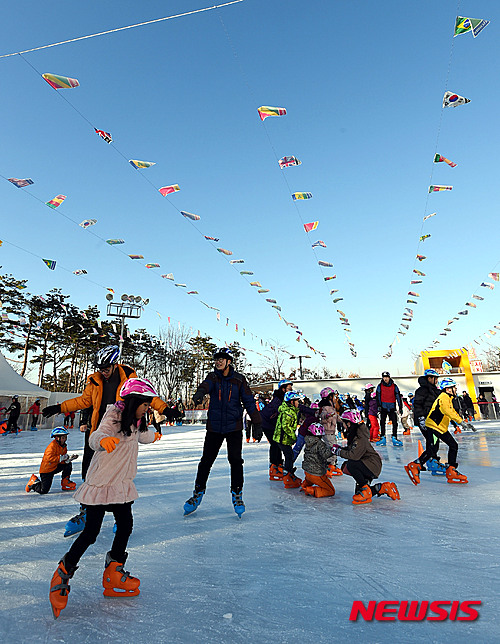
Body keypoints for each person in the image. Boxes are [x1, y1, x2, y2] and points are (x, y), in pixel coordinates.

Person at [48, 378, 162, 619]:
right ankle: (62, 572)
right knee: (91, 533)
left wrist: (154, 436)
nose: (147, 408)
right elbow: (95, 437)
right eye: (145, 404)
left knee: (126, 526)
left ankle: (114, 572)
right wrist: (102, 440)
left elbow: (141, 436)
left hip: (120, 484)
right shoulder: (113, 416)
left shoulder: (135, 422)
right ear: (133, 402)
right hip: (102, 483)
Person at [42, 345, 172, 536]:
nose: (103, 372)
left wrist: (165, 408)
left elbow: (145, 397)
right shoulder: (94, 380)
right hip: (97, 432)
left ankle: (120, 518)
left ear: (114, 364)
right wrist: (59, 407)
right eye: (100, 369)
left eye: (106, 368)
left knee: (119, 476)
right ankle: (85, 512)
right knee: (89, 473)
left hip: (120, 432)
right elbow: (83, 401)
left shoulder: (129, 377)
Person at [184, 348, 261, 518]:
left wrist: (257, 422)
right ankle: (197, 493)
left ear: (229, 362)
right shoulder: (213, 377)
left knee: (236, 461)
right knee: (206, 461)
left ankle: (237, 494)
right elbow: (205, 386)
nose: (218, 362)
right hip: (214, 427)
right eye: (216, 359)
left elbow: (248, 401)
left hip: (234, 427)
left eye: (221, 359)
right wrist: (199, 394)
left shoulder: (239, 379)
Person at [404, 378, 473, 486]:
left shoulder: (448, 398)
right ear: (448, 389)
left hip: (440, 428)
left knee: (453, 445)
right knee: (432, 448)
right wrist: (461, 422)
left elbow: (451, 411)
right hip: (434, 427)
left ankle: (451, 470)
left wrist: (459, 422)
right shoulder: (443, 397)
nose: (455, 389)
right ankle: (415, 465)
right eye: (454, 387)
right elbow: (448, 411)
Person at [331, 410, 400, 505]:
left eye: (344, 423)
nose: (343, 425)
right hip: (367, 463)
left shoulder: (360, 437)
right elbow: (353, 450)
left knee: (350, 465)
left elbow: (354, 455)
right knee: (358, 493)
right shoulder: (355, 434)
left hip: (372, 465)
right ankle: (383, 488)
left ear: (349, 423)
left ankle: (365, 488)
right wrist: (340, 449)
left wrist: (339, 452)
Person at [25, 428, 78, 494]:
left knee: (68, 464)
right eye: (63, 437)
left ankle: (65, 481)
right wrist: (61, 458)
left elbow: (62, 460)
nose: (65, 439)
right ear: (57, 438)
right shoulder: (52, 446)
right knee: (43, 491)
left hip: (55, 466)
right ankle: (33, 482)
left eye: (65, 437)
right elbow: (49, 458)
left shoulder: (63, 446)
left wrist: (68, 460)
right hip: (47, 470)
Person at [260, 379, 294, 480]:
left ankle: (278, 464)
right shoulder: (278, 400)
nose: (291, 389)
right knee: (275, 444)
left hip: (272, 424)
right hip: (267, 424)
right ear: (283, 389)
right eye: (289, 388)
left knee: (277, 444)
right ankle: (274, 466)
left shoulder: (284, 398)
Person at [273, 391, 303, 488]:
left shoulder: (291, 410)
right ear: (291, 402)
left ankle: (288, 473)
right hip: (282, 438)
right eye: (296, 401)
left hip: (284, 438)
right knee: (289, 456)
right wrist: (293, 437)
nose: (298, 403)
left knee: (289, 455)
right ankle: (287, 476)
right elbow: (286, 426)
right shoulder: (288, 412)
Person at [301, 422, 336, 498]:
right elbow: (325, 454)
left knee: (309, 479)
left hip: (307, 471)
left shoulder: (308, 441)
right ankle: (311, 490)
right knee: (330, 491)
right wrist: (333, 450)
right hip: (316, 473)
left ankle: (305, 485)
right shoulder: (319, 443)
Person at [318, 387, 342, 475]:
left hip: (331, 431)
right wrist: (327, 416)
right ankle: (328, 465)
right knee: (331, 448)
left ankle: (332, 464)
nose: (335, 398)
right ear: (329, 397)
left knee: (334, 447)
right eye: (333, 396)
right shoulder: (324, 407)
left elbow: (336, 417)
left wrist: (345, 421)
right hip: (327, 431)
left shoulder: (332, 407)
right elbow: (322, 415)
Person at [376, 371, 403, 446]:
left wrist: (400, 407)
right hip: (383, 407)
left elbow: (398, 396)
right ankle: (382, 436)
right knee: (382, 422)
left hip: (392, 407)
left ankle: (394, 436)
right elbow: (378, 396)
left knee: (395, 422)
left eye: (387, 377)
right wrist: (379, 406)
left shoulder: (394, 386)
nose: (385, 379)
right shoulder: (380, 386)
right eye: (384, 377)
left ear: (389, 377)